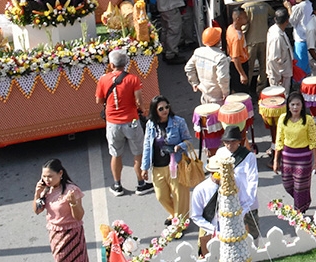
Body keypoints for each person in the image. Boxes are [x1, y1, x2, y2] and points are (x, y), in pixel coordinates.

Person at [95, 48, 152, 196]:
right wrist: (143, 111)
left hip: (112, 122)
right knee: (138, 153)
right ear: (125, 64)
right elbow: (139, 101)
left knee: (115, 154)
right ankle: (140, 183)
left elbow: (98, 100)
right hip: (131, 120)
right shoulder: (133, 79)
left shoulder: (103, 79)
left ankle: (117, 185)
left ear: (111, 64)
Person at [142, 95, 196, 227]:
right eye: (161, 109)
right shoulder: (150, 125)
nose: (165, 110)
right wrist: (144, 167)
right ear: (155, 110)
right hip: (158, 167)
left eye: (167, 107)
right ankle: (174, 214)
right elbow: (147, 146)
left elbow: (189, 140)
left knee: (179, 196)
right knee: (161, 196)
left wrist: (180, 146)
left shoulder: (179, 122)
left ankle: (180, 222)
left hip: (176, 165)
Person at [273, 92, 316, 212]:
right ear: (288, 106)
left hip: (303, 157)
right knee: (287, 184)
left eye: (298, 104)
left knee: (299, 187)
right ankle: (304, 199)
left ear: (302, 106)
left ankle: (299, 211)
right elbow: (279, 140)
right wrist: (275, 160)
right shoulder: (283, 119)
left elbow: (313, 142)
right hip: (287, 157)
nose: (295, 107)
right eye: (292, 104)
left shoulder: (308, 120)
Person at [34, 159, 88, 262]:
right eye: (44, 177)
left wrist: (73, 203)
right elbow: (37, 210)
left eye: (50, 176)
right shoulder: (46, 191)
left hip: (72, 235)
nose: (46, 180)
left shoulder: (71, 190)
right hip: (55, 236)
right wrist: (37, 194)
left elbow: (79, 216)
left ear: (60, 173)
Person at [185, 26, 231, 105]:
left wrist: (194, 83)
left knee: (206, 116)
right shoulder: (220, 57)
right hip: (218, 98)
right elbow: (222, 78)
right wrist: (225, 92)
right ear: (218, 41)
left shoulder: (198, 52)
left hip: (204, 95)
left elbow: (188, 68)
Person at [265, 8, 293, 89]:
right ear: (287, 21)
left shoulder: (277, 30)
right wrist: (278, 77)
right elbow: (273, 59)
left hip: (284, 73)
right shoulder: (277, 37)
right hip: (280, 76)